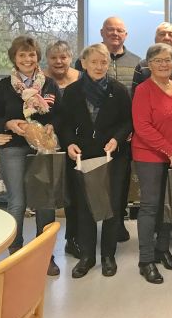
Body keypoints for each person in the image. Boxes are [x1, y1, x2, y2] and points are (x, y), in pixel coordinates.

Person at [0, 35, 61, 275]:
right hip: (14, 148)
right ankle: (15, 254)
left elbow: (61, 114)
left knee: (45, 202)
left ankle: (44, 253)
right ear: (14, 58)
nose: (27, 59)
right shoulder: (3, 87)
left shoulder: (49, 85)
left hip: (43, 150)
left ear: (37, 57)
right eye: (22, 55)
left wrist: (52, 125)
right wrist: (8, 124)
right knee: (17, 202)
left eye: (31, 54)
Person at [60, 43, 132, 278]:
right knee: (85, 206)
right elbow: (64, 124)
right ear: (83, 63)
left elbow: (127, 122)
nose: (100, 66)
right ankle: (87, 256)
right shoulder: (72, 92)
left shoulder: (118, 90)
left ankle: (108, 256)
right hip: (83, 155)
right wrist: (69, 142)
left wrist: (117, 139)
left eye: (104, 62)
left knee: (111, 206)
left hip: (113, 156)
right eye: (94, 62)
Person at [131, 43, 172, 284]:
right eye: (157, 60)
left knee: (170, 205)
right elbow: (142, 127)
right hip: (149, 156)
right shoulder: (143, 90)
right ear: (149, 64)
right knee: (150, 207)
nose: (163, 64)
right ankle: (146, 260)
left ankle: (162, 249)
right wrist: (170, 151)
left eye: (167, 59)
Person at [77, 16, 140, 242]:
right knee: (87, 195)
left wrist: (122, 135)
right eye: (110, 30)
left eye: (120, 30)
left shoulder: (137, 63)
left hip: (119, 141)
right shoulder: (80, 77)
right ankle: (86, 244)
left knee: (116, 192)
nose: (98, 66)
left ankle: (113, 236)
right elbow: (70, 116)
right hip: (87, 146)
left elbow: (132, 109)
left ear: (126, 34)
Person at [43, 40, 82, 260]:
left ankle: (72, 239)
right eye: (54, 57)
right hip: (43, 145)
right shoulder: (39, 81)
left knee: (73, 195)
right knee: (47, 196)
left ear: (70, 58)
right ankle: (44, 248)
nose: (59, 61)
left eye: (63, 57)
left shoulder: (81, 78)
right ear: (47, 59)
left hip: (73, 143)